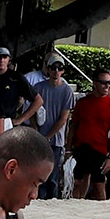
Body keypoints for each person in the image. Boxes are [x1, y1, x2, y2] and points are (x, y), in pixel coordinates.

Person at [69, 70, 110, 200]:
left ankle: (102, 216)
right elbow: (73, 127)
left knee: (99, 186)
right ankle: (74, 210)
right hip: (81, 147)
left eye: (109, 83)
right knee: (76, 183)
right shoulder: (82, 103)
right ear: (95, 83)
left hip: (99, 150)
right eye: (103, 82)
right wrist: (68, 149)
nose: (106, 86)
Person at [33, 58, 76, 199]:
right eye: (53, 67)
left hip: (56, 141)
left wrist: (48, 136)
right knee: (38, 175)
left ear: (63, 70)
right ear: (48, 69)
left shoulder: (67, 91)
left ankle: (52, 203)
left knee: (52, 176)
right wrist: (38, 134)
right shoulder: (38, 88)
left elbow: (63, 119)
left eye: (59, 68)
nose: (56, 71)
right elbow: (31, 112)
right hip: (39, 139)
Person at [0, 47, 42, 126]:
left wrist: (20, 120)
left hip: (7, 124)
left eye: (4, 57)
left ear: (9, 60)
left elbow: (38, 100)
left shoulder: (16, 78)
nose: (1, 60)